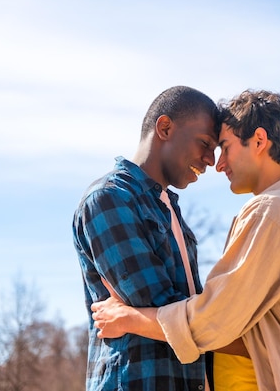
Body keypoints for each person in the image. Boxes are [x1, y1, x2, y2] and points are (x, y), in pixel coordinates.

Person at [91, 89, 280, 391]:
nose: (217, 164)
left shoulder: (272, 211)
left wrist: (130, 318)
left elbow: (214, 321)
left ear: (258, 141)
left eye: (225, 147)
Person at [73, 85, 227, 391]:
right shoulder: (109, 199)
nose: (211, 160)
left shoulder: (167, 207)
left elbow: (184, 318)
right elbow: (166, 309)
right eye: (206, 143)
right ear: (165, 128)